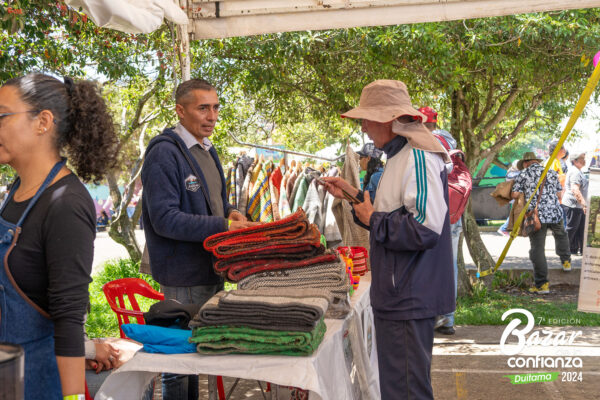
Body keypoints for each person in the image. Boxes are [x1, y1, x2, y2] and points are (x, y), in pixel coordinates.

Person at [322, 80, 454, 400]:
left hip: (408, 293)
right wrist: (352, 195)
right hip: (401, 291)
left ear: (387, 120)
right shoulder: (399, 155)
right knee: (399, 386)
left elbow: (425, 227)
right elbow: (387, 211)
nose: (364, 128)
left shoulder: (418, 156)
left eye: (367, 119)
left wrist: (372, 219)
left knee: (406, 389)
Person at [0, 73, 118, 399]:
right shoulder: (16, 190)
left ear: (43, 122)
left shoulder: (66, 203)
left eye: (2, 115)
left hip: (36, 383)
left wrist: (73, 397)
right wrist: (93, 349)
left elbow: (68, 316)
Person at [141, 78, 257, 399]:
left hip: (211, 269)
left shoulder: (207, 150)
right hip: (182, 275)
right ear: (180, 110)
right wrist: (222, 226)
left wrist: (231, 213)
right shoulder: (164, 154)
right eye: (202, 108)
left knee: (197, 356)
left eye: (216, 107)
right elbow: (164, 220)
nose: (212, 116)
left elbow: (214, 201)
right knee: (178, 366)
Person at [419, 106, 463, 335]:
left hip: (436, 212)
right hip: (456, 213)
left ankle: (435, 314)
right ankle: (448, 318)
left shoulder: (426, 144)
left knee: (431, 264)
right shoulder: (450, 142)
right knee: (451, 264)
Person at [511, 152, 572, 295]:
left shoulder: (523, 174)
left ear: (526, 163)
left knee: (537, 249)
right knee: (561, 234)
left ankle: (542, 284)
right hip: (555, 211)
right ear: (536, 161)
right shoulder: (550, 172)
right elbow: (559, 194)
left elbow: (514, 194)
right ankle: (566, 261)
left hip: (536, 215)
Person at [562, 151, 588, 255]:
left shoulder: (578, 171)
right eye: (581, 158)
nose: (584, 160)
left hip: (577, 206)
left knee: (579, 229)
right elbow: (575, 189)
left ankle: (574, 250)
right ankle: (564, 250)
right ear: (575, 161)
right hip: (573, 205)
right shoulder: (575, 172)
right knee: (572, 228)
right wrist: (583, 203)